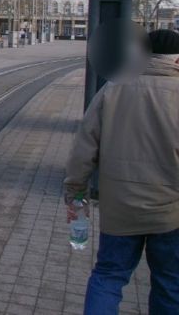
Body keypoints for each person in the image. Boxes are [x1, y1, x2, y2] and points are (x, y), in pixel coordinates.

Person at [64, 29, 179, 314]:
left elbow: (83, 148)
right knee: (170, 283)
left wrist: (75, 194)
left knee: (108, 276)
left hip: (120, 210)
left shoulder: (114, 87)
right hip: (171, 213)